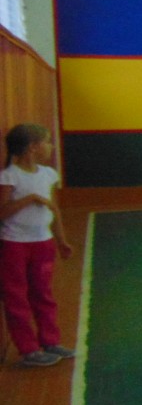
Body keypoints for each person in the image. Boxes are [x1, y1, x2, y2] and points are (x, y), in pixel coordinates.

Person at [0, 124, 75, 367]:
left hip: (43, 243)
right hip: (15, 244)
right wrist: (30, 198)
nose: (50, 147)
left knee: (43, 293)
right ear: (32, 147)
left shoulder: (48, 174)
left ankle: (50, 341)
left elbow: (54, 209)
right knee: (16, 297)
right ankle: (28, 349)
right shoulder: (9, 176)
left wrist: (61, 240)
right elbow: (2, 212)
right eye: (47, 142)